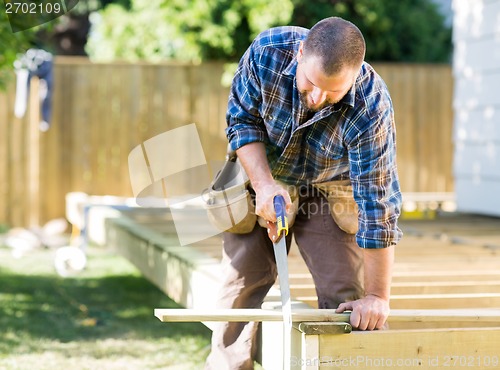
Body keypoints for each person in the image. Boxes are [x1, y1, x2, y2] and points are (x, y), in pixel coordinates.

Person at [205, 16, 403, 370]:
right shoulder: (267, 54)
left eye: (333, 92)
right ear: (299, 54)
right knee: (239, 288)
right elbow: (242, 121)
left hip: (329, 186)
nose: (317, 98)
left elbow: (377, 205)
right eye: (310, 83)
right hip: (263, 171)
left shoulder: (371, 106)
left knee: (344, 295)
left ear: (354, 78)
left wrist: (377, 297)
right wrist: (265, 186)